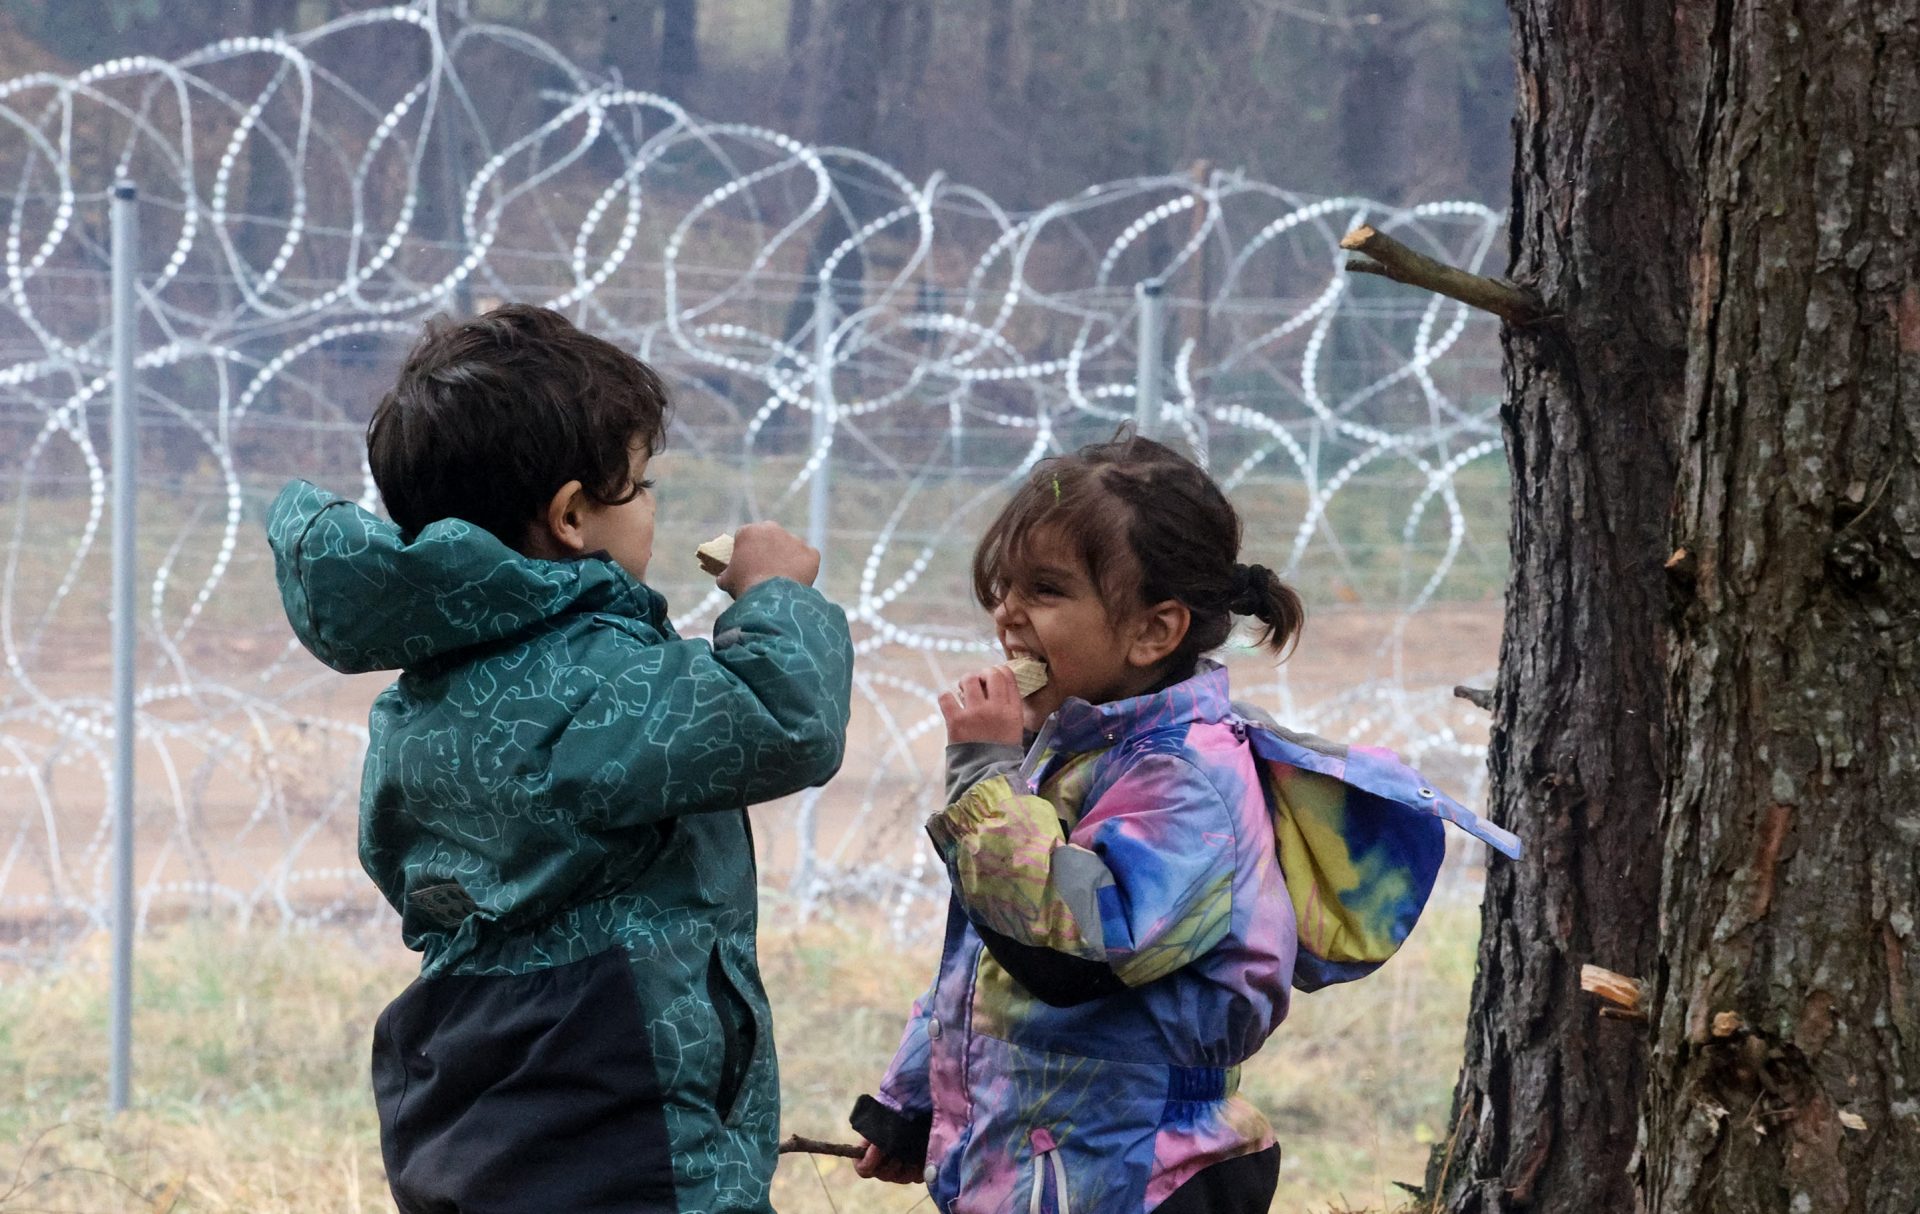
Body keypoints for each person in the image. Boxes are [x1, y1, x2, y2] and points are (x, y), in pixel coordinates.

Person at [266, 304, 853, 1214]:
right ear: (573, 515)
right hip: (622, 1115)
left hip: (474, 1106)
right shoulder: (585, 684)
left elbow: (400, 863)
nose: (654, 505)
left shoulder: (422, 695)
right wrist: (773, 595)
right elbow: (786, 718)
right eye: (641, 484)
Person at [849, 432, 1503, 1214]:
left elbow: (1072, 951)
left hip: (1145, 1175)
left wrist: (985, 777)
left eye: (1046, 591)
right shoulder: (1072, 754)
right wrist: (915, 1099)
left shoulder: (1184, 780)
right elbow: (982, 960)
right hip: (1044, 1159)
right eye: (1002, 586)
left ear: (1154, 631)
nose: (1006, 613)